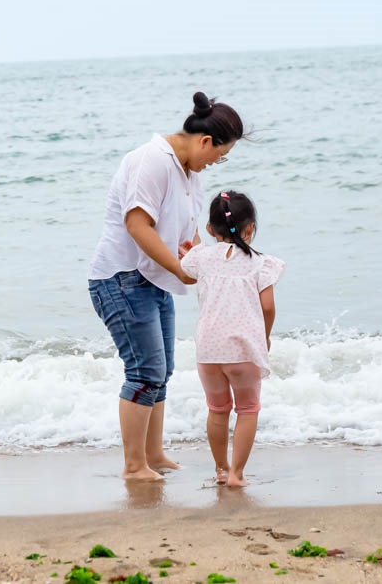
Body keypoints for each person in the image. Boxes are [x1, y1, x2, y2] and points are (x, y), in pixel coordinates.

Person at [88, 92, 244, 481]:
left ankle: (153, 455)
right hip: (120, 277)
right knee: (144, 371)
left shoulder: (187, 172)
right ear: (205, 141)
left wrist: (196, 259)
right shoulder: (152, 161)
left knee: (163, 371)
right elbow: (136, 225)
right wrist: (179, 267)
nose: (215, 164)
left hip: (153, 279)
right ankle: (133, 465)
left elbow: (182, 235)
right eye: (219, 156)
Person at [180, 190, 285, 487]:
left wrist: (189, 253)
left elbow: (185, 269)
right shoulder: (261, 263)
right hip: (244, 349)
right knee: (248, 409)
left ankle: (221, 470)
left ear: (210, 230)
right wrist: (264, 337)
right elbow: (267, 307)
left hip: (209, 350)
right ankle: (238, 474)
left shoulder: (200, 256)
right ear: (250, 228)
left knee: (217, 410)